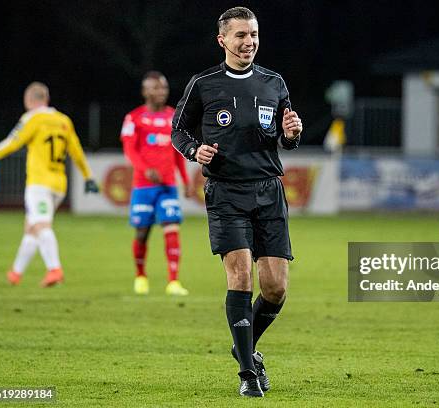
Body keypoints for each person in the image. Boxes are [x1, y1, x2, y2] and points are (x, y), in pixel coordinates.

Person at [171, 7, 303, 397]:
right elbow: (178, 129)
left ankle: (243, 345)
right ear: (223, 40)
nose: (249, 42)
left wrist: (293, 134)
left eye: (254, 35)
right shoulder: (204, 84)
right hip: (226, 192)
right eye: (241, 35)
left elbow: (285, 135)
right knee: (240, 276)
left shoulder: (274, 83)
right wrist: (196, 152)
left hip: (268, 190)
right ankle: (248, 374)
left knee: (276, 288)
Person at [0, 82, 99, 287]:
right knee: (31, 228)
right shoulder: (63, 120)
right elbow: (76, 151)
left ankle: (54, 269)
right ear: (46, 99)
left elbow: (12, 142)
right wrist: (88, 176)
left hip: (39, 183)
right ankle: (16, 273)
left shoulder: (32, 118)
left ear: (29, 101)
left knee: (41, 225)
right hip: (59, 185)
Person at [120, 71, 193, 296]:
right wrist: (145, 169)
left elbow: (178, 153)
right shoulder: (133, 118)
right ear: (145, 92)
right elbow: (130, 150)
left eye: (163, 87)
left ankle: (173, 281)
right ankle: (141, 276)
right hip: (143, 187)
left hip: (168, 186)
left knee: (171, 227)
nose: (160, 91)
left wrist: (186, 180)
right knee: (142, 233)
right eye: (155, 88)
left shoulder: (174, 117)